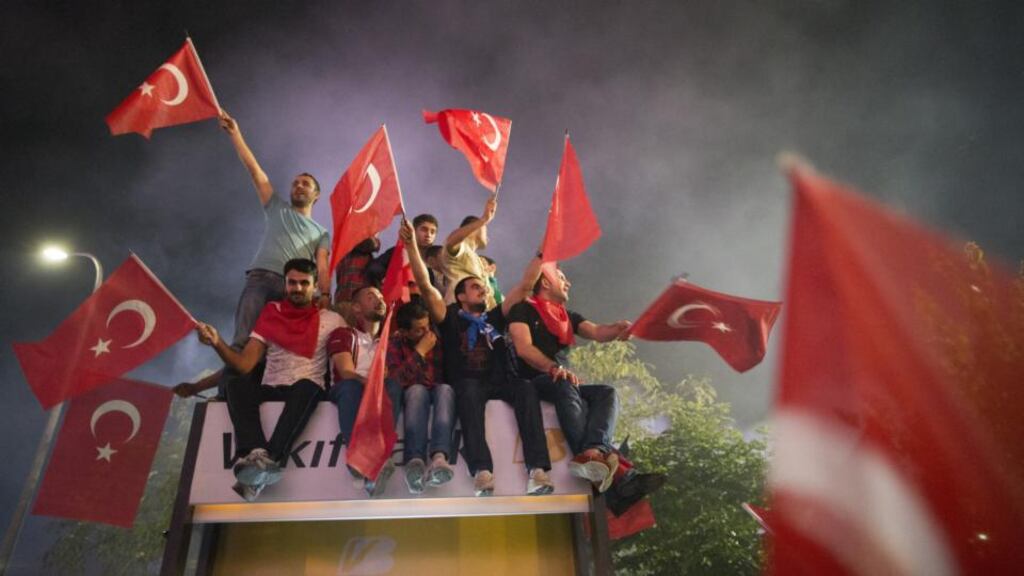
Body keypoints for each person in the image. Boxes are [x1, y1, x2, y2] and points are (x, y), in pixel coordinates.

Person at [175, 111, 332, 399]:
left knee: (274, 352)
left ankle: (266, 395)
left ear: (316, 196)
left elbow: (323, 264)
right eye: (295, 182)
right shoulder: (277, 208)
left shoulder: (321, 231)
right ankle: (228, 396)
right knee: (242, 343)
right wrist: (236, 134)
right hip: (260, 282)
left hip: (291, 291)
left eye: (305, 184)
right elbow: (255, 170)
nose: (298, 186)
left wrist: (324, 295)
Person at [402, 219, 549, 496]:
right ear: (459, 295)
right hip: (469, 383)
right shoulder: (448, 317)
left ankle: (538, 470)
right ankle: (482, 471)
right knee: (467, 392)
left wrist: (542, 253)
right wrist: (411, 246)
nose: (482, 288)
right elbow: (423, 282)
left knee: (526, 388)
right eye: (474, 286)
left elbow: (526, 286)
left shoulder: (495, 316)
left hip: (499, 381)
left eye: (483, 285)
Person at [195, 258, 345, 502]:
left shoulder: (332, 319)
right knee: (236, 382)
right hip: (272, 386)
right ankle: (257, 452)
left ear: (315, 286)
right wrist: (217, 343)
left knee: (307, 387)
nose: (297, 288)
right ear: (285, 284)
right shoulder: (271, 312)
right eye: (292, 283)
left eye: (304, 283)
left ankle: (265, 466)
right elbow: (244, 364)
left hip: (307, 388)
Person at [507, 265, 632, 493]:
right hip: (536, 380)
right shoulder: (521, 310)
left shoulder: (566, 315)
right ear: (545, 282)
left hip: (565, 382)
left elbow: (597, 332)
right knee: (564, 383)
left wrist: (618, 329)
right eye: (562, 278)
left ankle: (593, 450)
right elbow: (524, 349)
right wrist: (553, 368)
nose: (568, 283)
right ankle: (593, 459)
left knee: (607, 392)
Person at [327, 285, 404, 496]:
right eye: (371, 297)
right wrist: (371, 384)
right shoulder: (344, 334)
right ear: (357, 308)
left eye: (381, 296)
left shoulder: (391, 341)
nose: (379, 300)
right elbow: (345, 371)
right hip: (349, 389)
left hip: (378, 393)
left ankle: (377, 458)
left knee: (393, 386)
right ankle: (358, 456)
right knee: (351, 387)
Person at [386, 299, 454, 494]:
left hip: (437, 388)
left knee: (446, 389)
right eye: (418, 330)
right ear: (405, 332)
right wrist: (420, 352)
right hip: (414, 392)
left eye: (427, 326)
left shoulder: (438, 336)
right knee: (416, 391)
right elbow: (396, 380)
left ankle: (439, 457)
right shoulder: (396, 342)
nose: (426, 333)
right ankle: (414, 461)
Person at [443, 196, 497, 310]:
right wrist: (483, 220)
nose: (488, 238)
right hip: (460, 315)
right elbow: (451, 242)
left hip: (481, 319)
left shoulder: (479, 260)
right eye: (485, 228)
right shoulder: (462, 248)